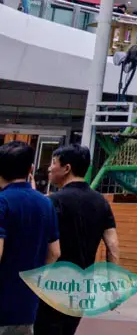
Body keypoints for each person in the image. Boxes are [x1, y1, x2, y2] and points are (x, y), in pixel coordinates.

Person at [34, 144, 119, 335]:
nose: (49, 168)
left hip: (53, 284)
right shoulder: (101, 202)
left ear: (67, 168)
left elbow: (49, 249)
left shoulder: (53, 201)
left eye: (54, 163)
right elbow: (113, 245)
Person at [0, 141, 59, 334]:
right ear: (31, 168)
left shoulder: (2, 202)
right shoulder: (45, 203)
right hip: (25, 307)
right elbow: (54, 252)